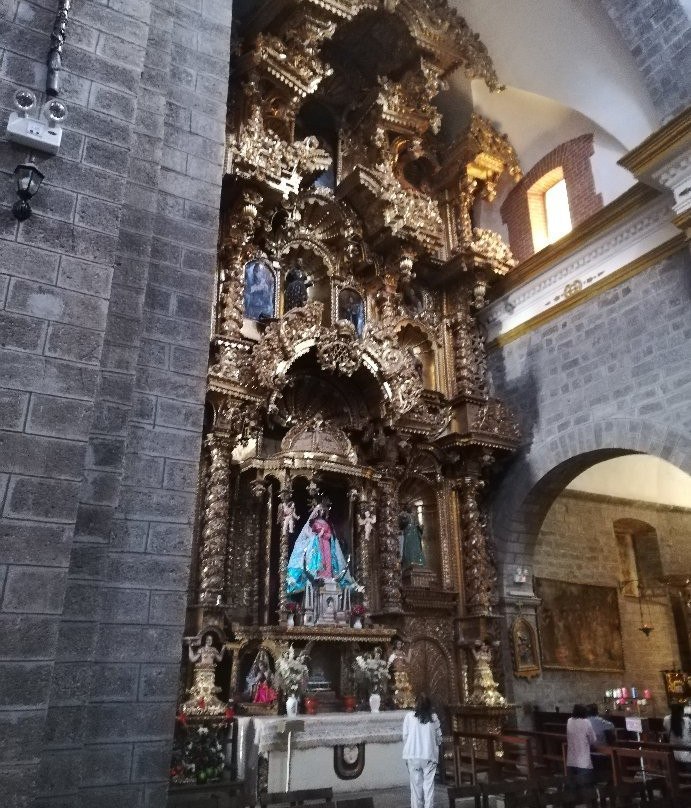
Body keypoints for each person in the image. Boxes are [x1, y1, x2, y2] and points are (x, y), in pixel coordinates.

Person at [402, 693, 442, 808]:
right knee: (428, 787)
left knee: (416, 789)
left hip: (413, 755)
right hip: (429, 756)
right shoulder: (433, 718)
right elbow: (439, 738)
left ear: (416, 704)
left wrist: (408, 752)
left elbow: (405, 737)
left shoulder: (409, 717)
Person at [566, 703, 596, 785]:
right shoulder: (586, 722)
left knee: (573, 790)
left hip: (571, 760)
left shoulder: (569, 721)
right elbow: (593, 739)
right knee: (585, 789)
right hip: (583, 762)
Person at [664, 703, 691, 772]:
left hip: (674, 752)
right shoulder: (687, 720)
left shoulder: (666, 720)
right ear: (682, 712)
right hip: (687, 751)